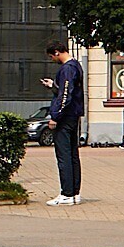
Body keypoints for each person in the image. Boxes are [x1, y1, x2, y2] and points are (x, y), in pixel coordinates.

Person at [44, 44, 84, 205]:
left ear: (57, 52)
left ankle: (66, 193)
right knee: (73, 155)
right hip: (74, 115)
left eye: (51, 57)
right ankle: (74, 193)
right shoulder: (76, 66)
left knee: (64, 155)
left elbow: (65, 95)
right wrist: (53, 86)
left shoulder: (67, 69)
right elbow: (68, 91)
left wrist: (55, 116)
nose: (52, 60)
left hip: (65, 116)